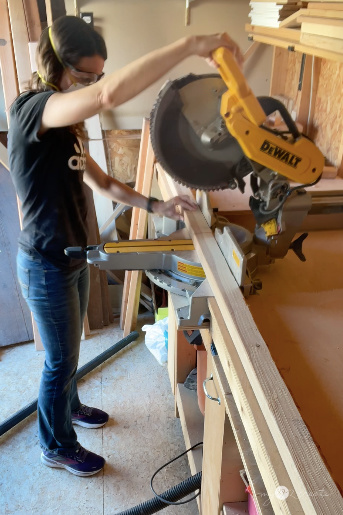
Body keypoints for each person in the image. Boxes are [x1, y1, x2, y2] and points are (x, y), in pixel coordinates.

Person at [8, 15, 243, 477]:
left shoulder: (66, 130)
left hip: (71, 259)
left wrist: (159, 203)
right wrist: (192, 43)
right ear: (58, 67)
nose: (93, 85)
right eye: (86, 76)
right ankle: (55, 445)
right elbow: (107, 96)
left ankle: (68, 406)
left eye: (97, 74)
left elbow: (105, 183)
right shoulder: (34, 109)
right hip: (45, 264)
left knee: (68, 352)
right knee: (58, 360)